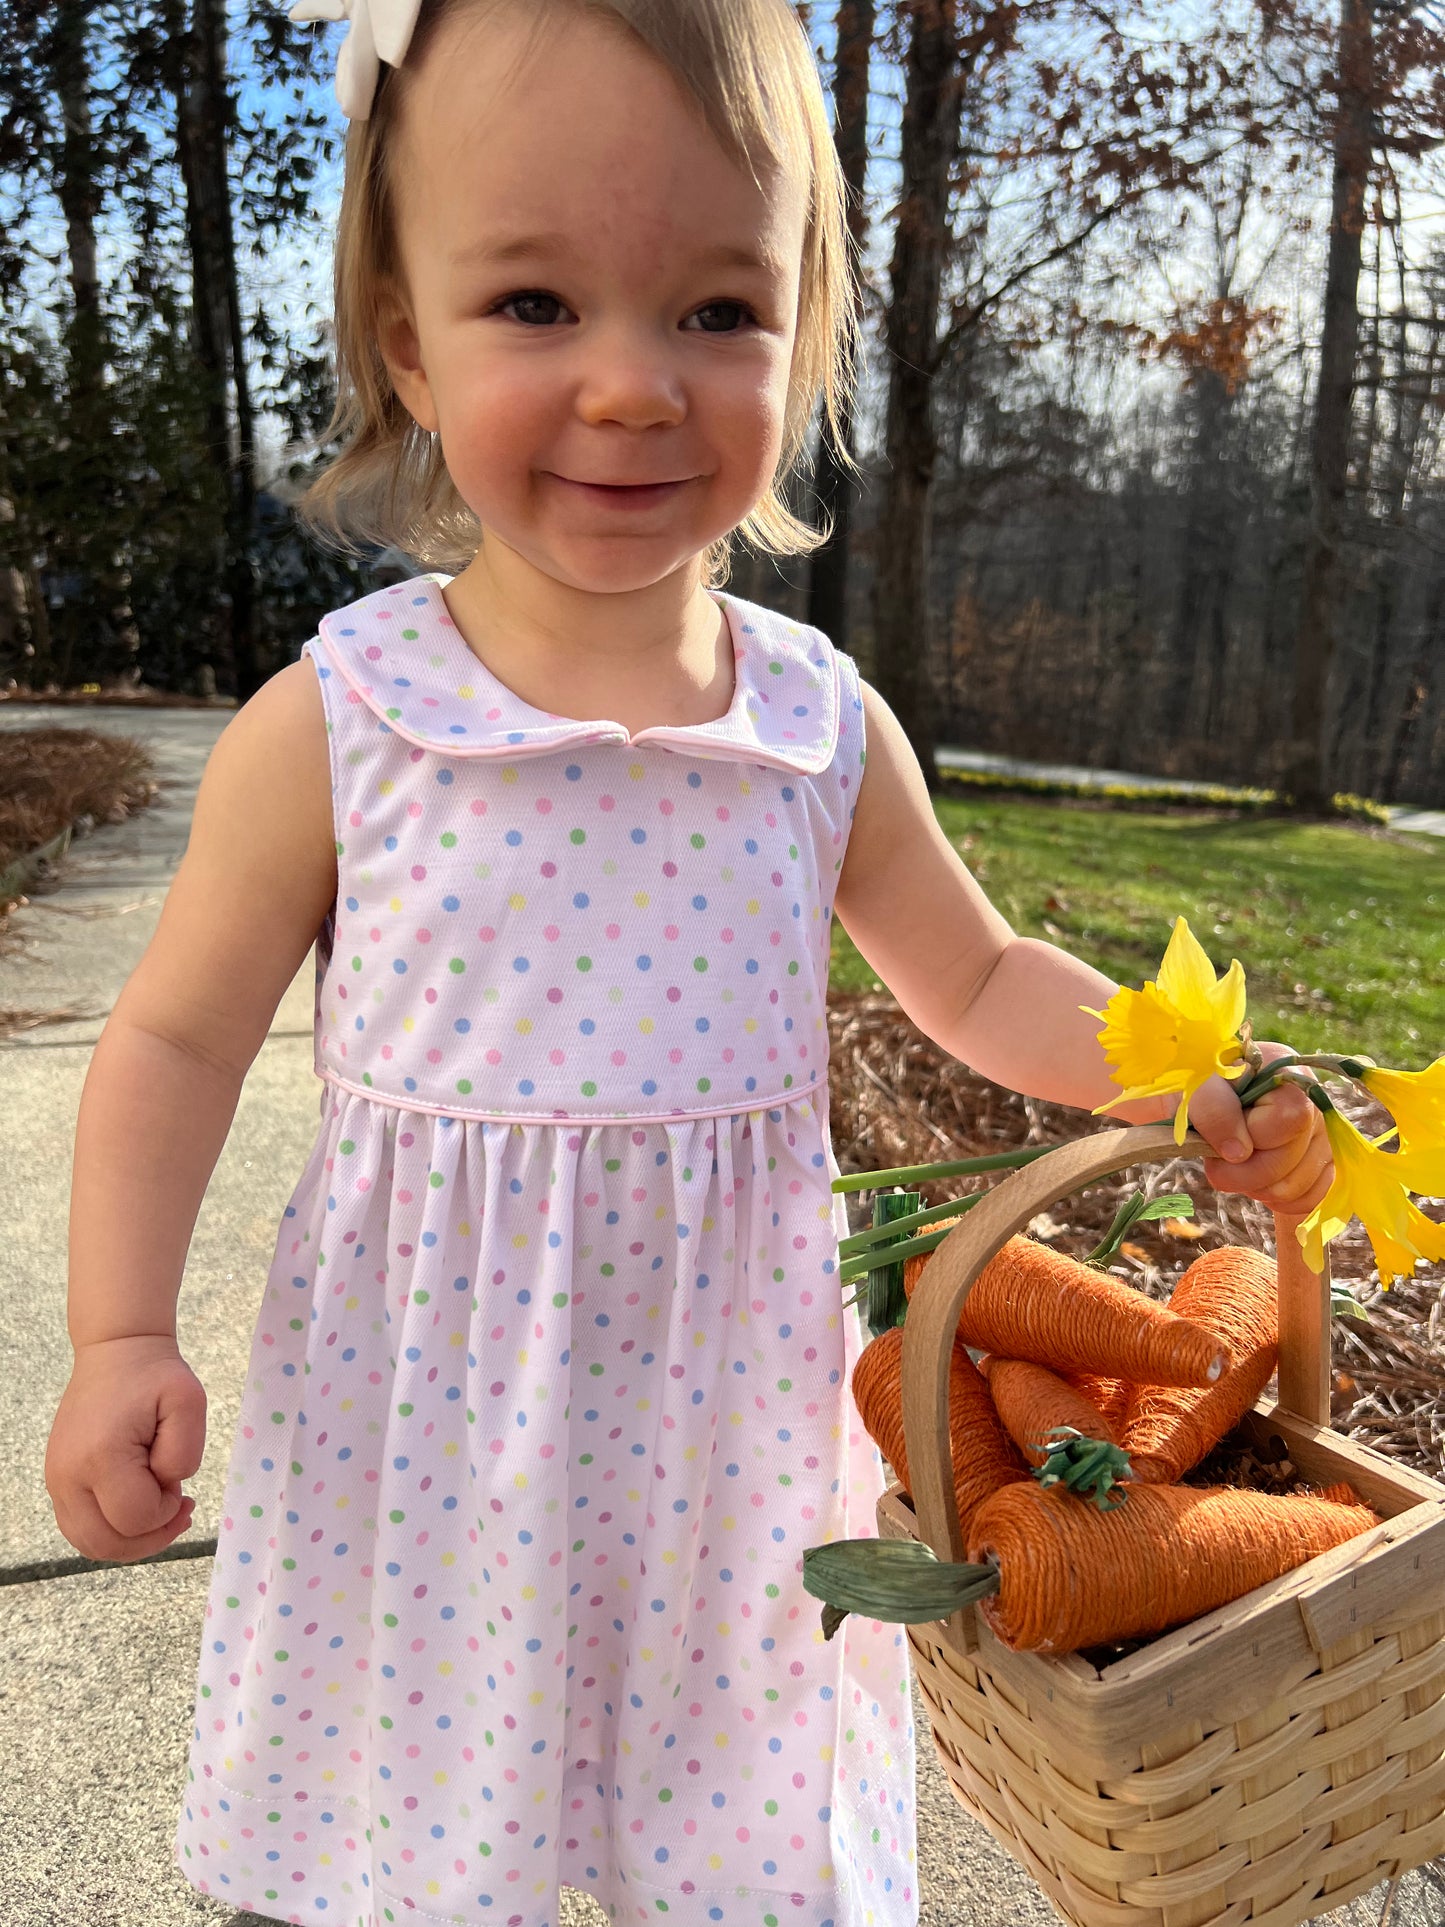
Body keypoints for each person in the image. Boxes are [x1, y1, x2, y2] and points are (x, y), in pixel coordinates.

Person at [44, 2, 1333, 1923]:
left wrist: (1175, 1073)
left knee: (738, 1829)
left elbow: (972, 981)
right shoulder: (349, 720)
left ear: (805, 337)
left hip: (730, 1419)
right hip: (432, 1417)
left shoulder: (817, 726)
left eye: (717, 311)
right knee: (420, 1823)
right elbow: (170, 1039)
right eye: (536, 306)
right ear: (407, 338)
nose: (636, 387)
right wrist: (117, 1335)